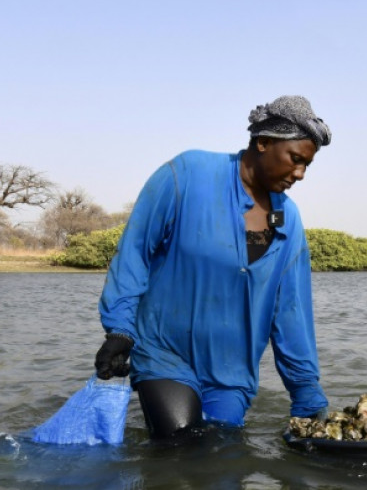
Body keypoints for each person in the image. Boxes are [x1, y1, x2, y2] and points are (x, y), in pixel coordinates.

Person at [94, 95, 332, 439]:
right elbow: (134, 253)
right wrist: (120, 330)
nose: (300, 174)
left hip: (232, 373)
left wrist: (306, 391)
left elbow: (290, 310)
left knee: (223, 452)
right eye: (295, 159)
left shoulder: (287, 219)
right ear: (264, 142)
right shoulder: (187, 175)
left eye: (307, 165)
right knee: (180, 441)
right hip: (165, 353)